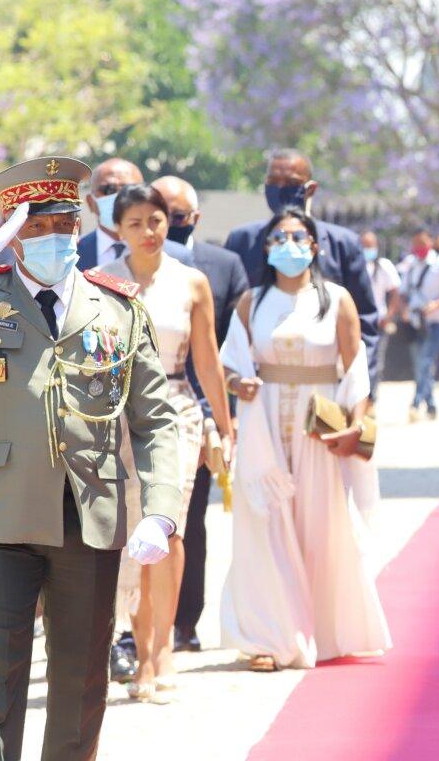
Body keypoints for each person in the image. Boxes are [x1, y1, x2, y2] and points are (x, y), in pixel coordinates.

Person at [0, 157, 182, 759]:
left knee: (80, 684)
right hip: (2, 516)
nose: (53, 239)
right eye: (36, 227)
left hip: (89, 517)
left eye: (64, 225)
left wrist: (160, 509)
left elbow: (156, 419)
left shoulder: (117, 307)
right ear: (11, 231)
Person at [219, 208, 390, 671]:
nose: (289, 245)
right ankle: (272, 637)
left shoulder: (336, 299)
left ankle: (324, 630)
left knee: (320, 525)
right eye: (279, 237)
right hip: (265, 425)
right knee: (267, 521)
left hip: (320, 428)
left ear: (315, 246)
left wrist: (355, 426)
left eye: (298, 236)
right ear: (267, 247)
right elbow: (230, 363)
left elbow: (356, 369)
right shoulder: (251, 302)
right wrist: (240, 385)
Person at [99, 184, 235, 703]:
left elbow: (208, 360)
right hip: (117, 418)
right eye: (135, 224)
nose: (149, 232)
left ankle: (163, 654)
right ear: (118, 229)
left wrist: (223, 426)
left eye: (156, 221)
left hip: (176, 413)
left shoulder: (192, 281)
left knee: (169, 527)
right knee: (134, 532)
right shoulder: (102, 283)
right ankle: (138, 655)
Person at [152, 176, 250, 653]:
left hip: (199, 413)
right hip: (139, 409)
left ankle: (184, 623)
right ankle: (136, 631)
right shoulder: (118, 268)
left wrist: (224, 418)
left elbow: (230, 349)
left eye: (178, 215)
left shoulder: (223, 266)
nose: (168, 224)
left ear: (195, 217)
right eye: (159, 214)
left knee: (189, 520)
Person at [223, 149, 381, 393]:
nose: (280, 188)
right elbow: (228, 326)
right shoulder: (243, 241)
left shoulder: (342, 244)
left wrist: (362, 393)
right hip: (257, 390)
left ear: (310, 189)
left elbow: (365, 325)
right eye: (273, 182)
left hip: (325, 387)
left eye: (290, 183)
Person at [77, 158, 192, 270]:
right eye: (109, 189)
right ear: (90, 202)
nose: (120, 197)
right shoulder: (69, 253)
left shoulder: (179, 256)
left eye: (130, 190)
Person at [400, 229, 439, 421]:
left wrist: (436, 305)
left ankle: (416, 403)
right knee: (420, 364)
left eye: (423, 243)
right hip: (414, 322)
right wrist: (404, 310)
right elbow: (402, 292)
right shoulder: (410, 265)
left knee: (426, 361)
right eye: (415, 244)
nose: (419, 248)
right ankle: (431, 403)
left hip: (435, 322)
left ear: (431, 242)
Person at [360, 230, 402, 382]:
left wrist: (388, 316)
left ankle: (372, 397)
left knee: (377, 362)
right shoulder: (354, 265)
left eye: (370, 245)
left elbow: (395, 293)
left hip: (379, 322)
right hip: (358, 321)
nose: (367, 249)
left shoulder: (384, 265)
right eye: (364, 245)